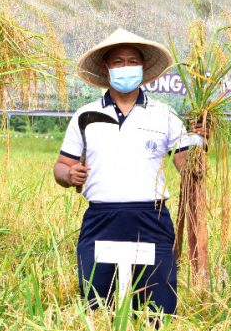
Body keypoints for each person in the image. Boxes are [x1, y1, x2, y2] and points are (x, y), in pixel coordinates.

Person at [54, 28, 203, 313]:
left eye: (132, 61)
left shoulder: (164, 115)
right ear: (106, 67)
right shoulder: (85, 116)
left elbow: (190, 170)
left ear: (143, 67)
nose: (126, 68)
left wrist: (200, 144)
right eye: (118, 62)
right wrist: (69, 175)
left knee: (158, 308)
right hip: (101, 219)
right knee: (98, 308)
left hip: (151, 220)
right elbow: (62, 166)